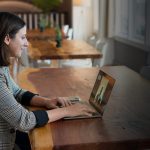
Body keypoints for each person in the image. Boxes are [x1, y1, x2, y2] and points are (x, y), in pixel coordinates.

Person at [0, 12, 94, 150]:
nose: (27, 43)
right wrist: (68, 111)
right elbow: (25, 121)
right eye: (23, 37)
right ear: (7, 39)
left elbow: (18, 92)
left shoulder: (2, 68)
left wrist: (46, 101)